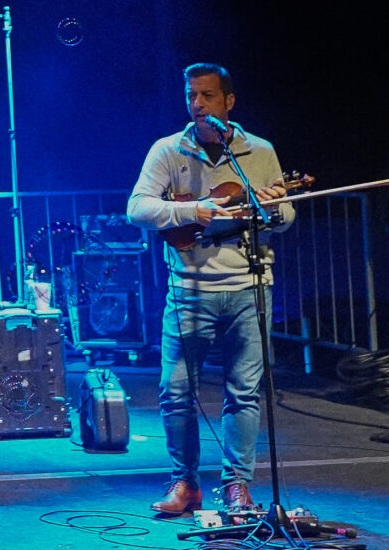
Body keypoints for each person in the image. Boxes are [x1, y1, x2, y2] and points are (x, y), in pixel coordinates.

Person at [124, 63, 296, 519]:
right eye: (191, 96)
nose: (197, 104)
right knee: (175, 390)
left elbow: (287, 217)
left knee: (244, 392)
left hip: (249, 287)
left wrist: (276, 209)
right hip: (190, 290)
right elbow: (137, 207)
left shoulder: (258, 152)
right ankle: (186, 483)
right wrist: (192, 211)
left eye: (206, 96)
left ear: (228, 102)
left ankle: (237, 485)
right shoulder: (168, 150)